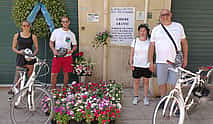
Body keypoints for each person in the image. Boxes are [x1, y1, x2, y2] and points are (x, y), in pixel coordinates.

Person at [148, 9, 188, 98]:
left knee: (175, 83)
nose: (165, 17)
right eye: (162, 15)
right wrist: (150, 62)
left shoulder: (178, 27)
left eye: (167, 14)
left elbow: (184, 43)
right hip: (161, 61)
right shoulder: (156, 29)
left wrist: (185, 58)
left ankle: (176, 101)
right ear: (160, 17)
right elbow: (151, 46)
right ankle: (163, 99)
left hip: (175, 61)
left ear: (171, 15)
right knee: (162, 82)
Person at [49, 16, 77, 89]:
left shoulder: (71, 34)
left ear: (69, 22)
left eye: (66, 21)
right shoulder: (56, 31)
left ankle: (64, 89)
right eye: (63, 21)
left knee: (66, 73)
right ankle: (53, 89)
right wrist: (54, 51)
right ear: (61, 23)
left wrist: (72, 50)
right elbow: (51, 43)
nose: (65, 23)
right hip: (57, 56)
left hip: (67, 56)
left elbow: (74, 46)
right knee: (53, 74)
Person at [129, 24, 152, 105]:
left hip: (146, 65)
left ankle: (145, 97)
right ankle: (136, 97)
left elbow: (152, 54)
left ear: (147, 32)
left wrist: (151, 64)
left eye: (144, 31)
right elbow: (132, 53)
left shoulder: (150, 42)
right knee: (136, 82)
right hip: (137, 65)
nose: (142, 32)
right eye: (141, 31)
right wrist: (130, 62)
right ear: (139, 32)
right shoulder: (135, 41)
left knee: (146, 83)